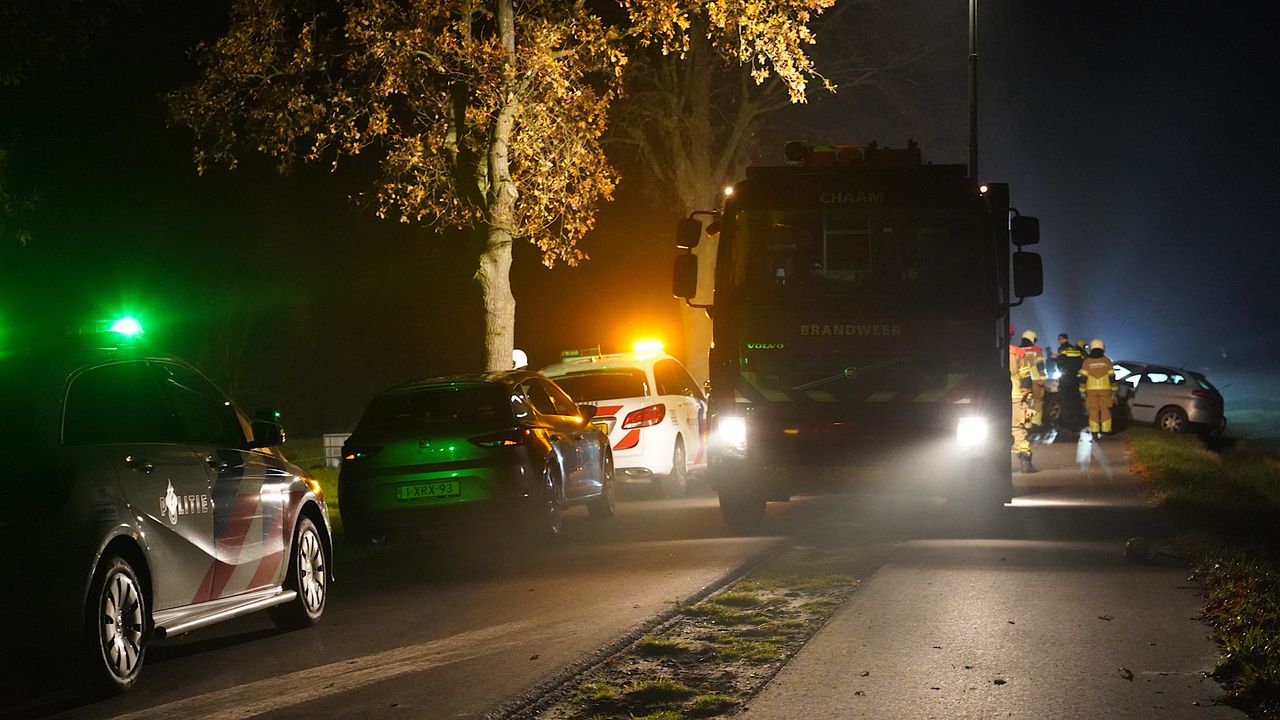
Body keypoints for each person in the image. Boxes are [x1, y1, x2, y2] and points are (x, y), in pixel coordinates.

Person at [1079, 338, 1118, 437]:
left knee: (1093, 410)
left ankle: (1094, 431)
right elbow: (1112, 377)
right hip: (1105, 390)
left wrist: (1082, 390)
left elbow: (1083, 378)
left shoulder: (1087, 362)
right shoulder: (1107, 361)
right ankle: (1106, 430)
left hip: (1091, 390)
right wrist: (1114, 389)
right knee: (1105, 409)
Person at [1053, 332, 1084, 431]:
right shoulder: (1075, 350)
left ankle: (1066, 424)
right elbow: (1080, 363)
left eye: (1060, 340)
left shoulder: (1062, 350)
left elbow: (1061, 363)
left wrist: (1055, 359)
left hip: (1066, 379)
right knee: (1075, 401)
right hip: (1075, 378)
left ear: (1062, 340)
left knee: (1065, 402)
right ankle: (1077, 424)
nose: (1059, 342)